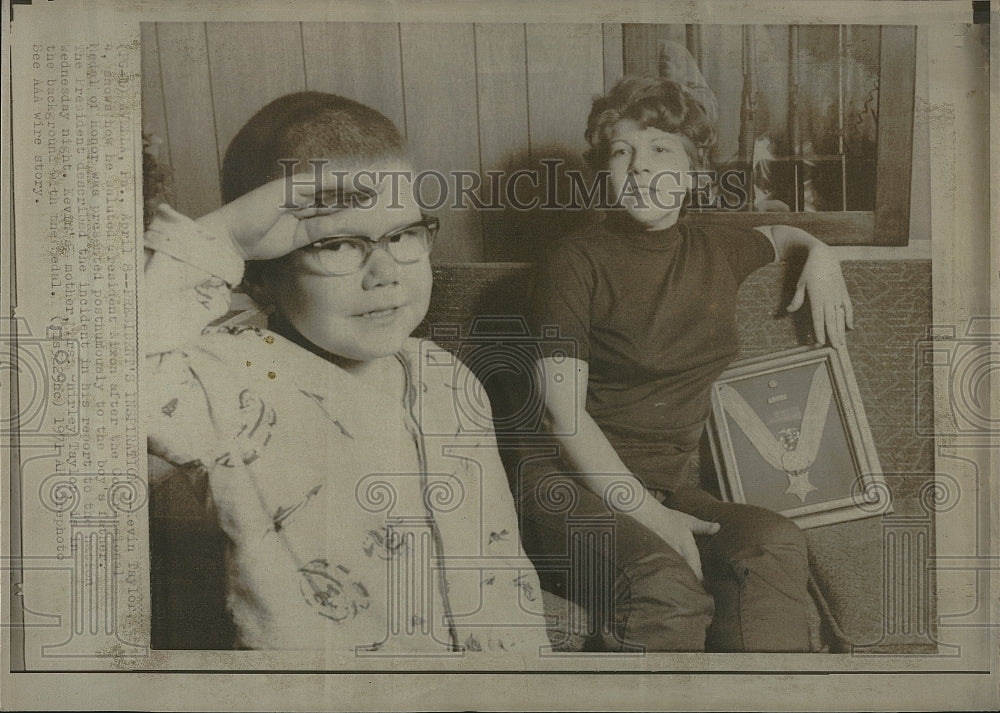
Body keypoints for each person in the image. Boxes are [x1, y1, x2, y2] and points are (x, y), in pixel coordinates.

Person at [144, 91, 549, 654]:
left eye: (404, 234)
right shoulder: (225, 380)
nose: (384, 272)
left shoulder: (449, 378)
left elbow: (503, 566)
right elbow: (103, 383)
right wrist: (228, 236)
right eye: (337, 244)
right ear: (260, 276)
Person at [517, 76, 854, 652]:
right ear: (604, 171)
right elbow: (559, 415)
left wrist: (819, 252)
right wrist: (651, 515)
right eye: (622, 152)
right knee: (663, 584)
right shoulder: (571, 262)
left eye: (661, 150)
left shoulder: (715, 250)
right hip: (559, 486)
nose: (640, 167)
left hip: (666, 486)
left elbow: (777, 234)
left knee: (771, 544)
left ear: (695, 172)